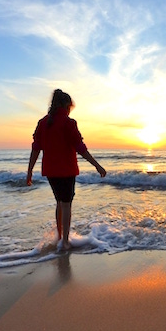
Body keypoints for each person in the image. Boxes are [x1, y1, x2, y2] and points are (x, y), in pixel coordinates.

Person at [26, 89, 106, 252]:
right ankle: (66, 241)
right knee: (67, 204)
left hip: (50, 171)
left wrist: (29, 171)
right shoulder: (69, 123)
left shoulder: (43, 123)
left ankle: (61, 237)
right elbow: (80, 148)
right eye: (69, 107)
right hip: (67, 171)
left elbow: (35, 149)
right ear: (65, 106)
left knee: (59, 202)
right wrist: (97, 165)